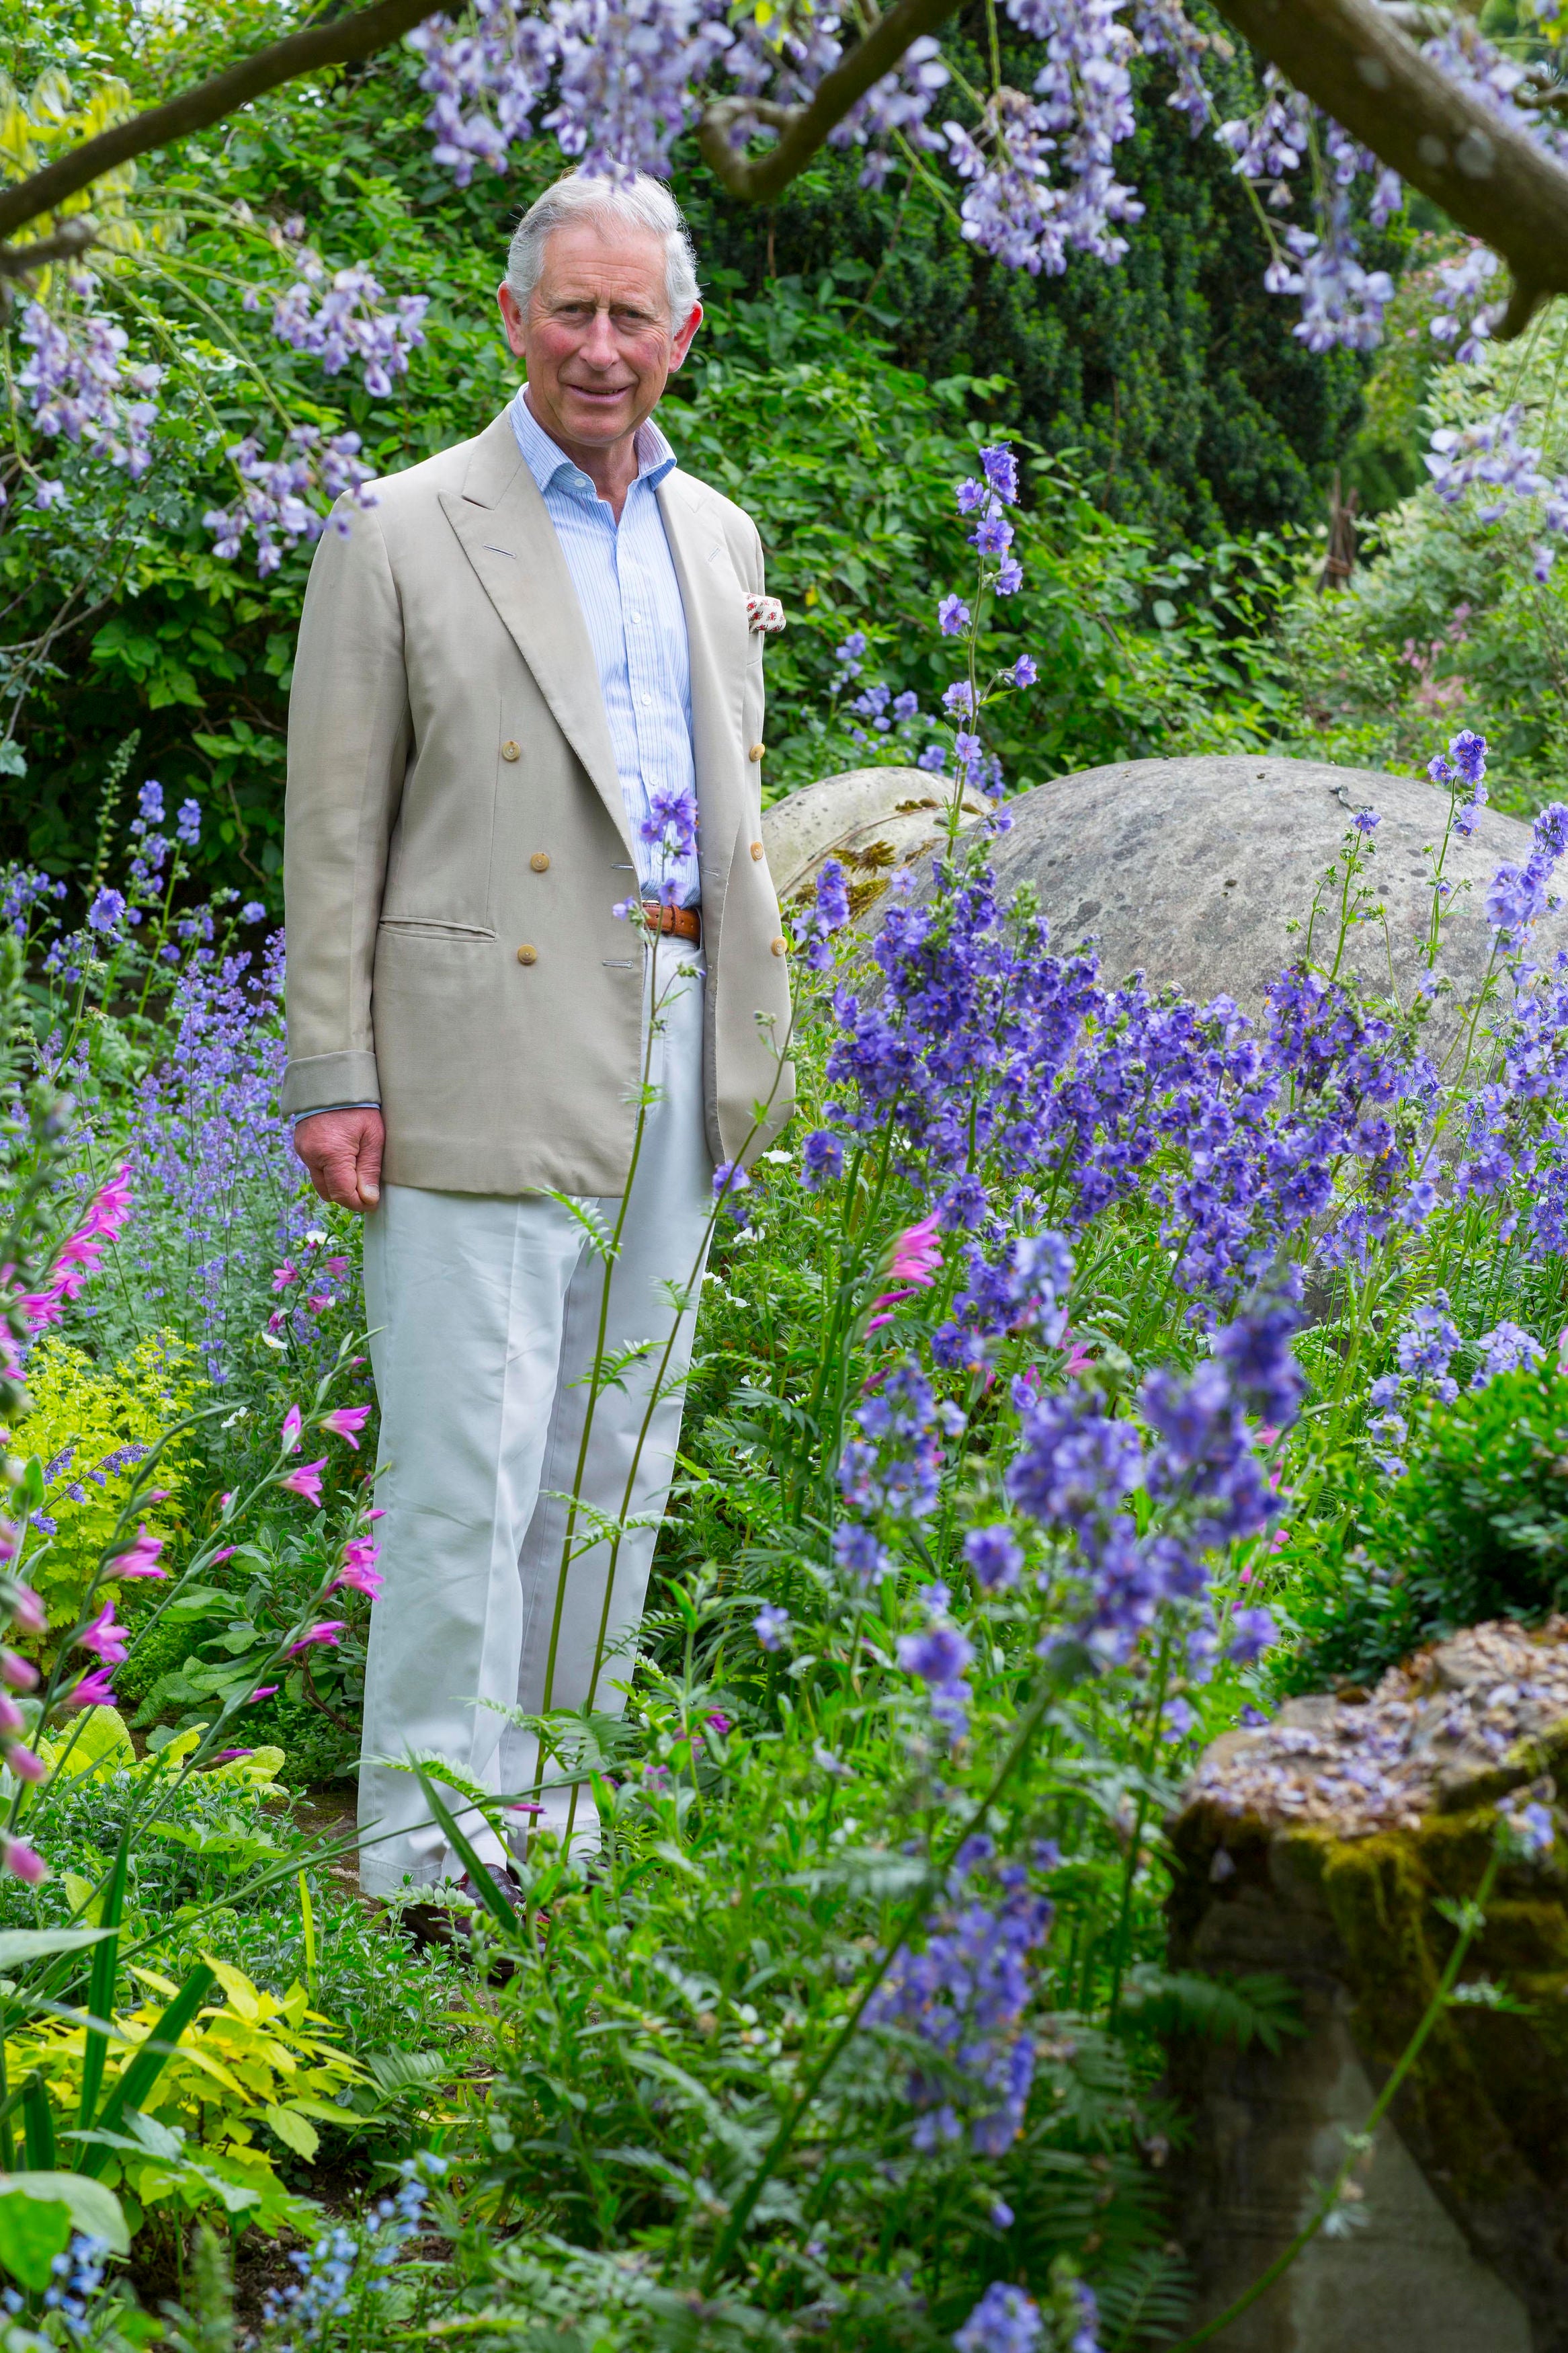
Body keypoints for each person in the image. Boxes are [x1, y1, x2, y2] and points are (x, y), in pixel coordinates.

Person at [283, 171, 793, 1906]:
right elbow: (334, 827)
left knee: (614, 1457)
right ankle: (427, 1858)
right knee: (467, 1459)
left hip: (678, 1016)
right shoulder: (401, 526)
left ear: (683, 333)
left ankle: (552, 1816)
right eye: (568, 311)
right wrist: (331, 1072)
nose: (599, 346)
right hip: (473, 1030)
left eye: (630, 315)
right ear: (512, 319)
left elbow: (727, 815)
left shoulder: (716, 538)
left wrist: (747, 1028)